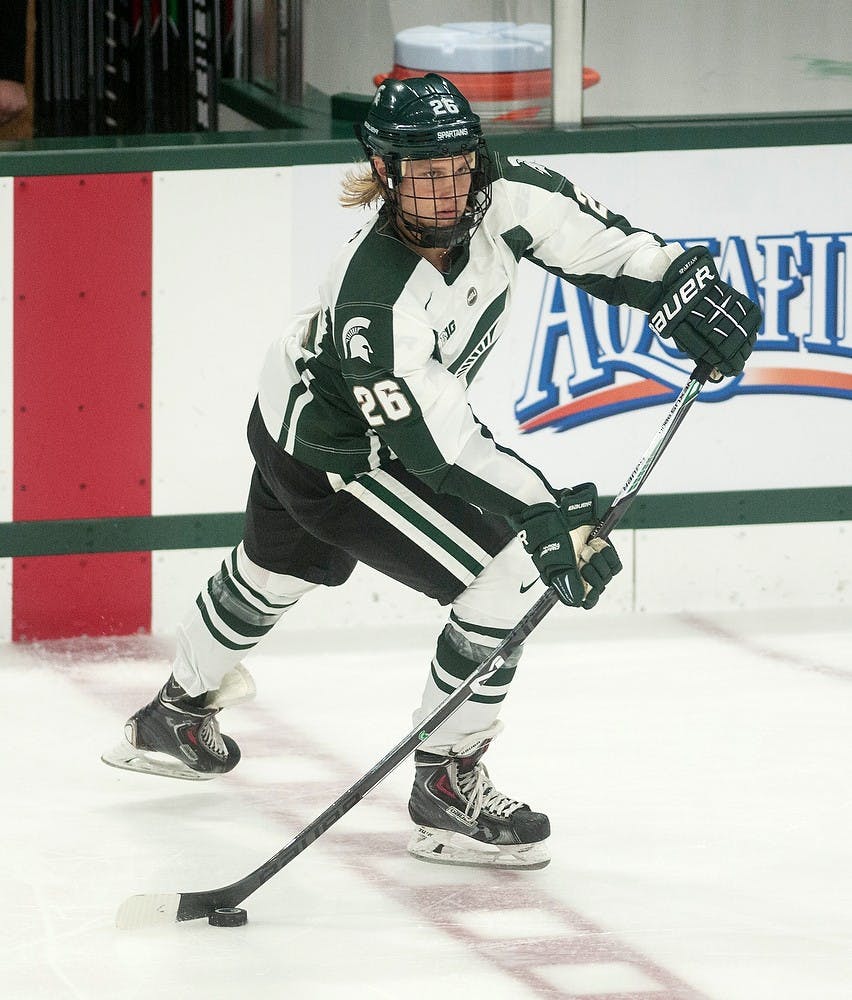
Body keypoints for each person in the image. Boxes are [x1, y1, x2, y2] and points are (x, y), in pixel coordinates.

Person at [102, 75, 761, 870]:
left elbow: (607, 248)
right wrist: (544, 515)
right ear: (384, 172)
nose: (447, 189)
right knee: (507, 573)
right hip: (342, 455)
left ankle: (169, 719)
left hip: (284, 415)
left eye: (456, 164)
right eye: (423, 171)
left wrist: (680, 284)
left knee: (274, 571)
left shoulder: (505, 194)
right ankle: (447, 784)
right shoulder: (377, 305)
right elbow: (438, 451)